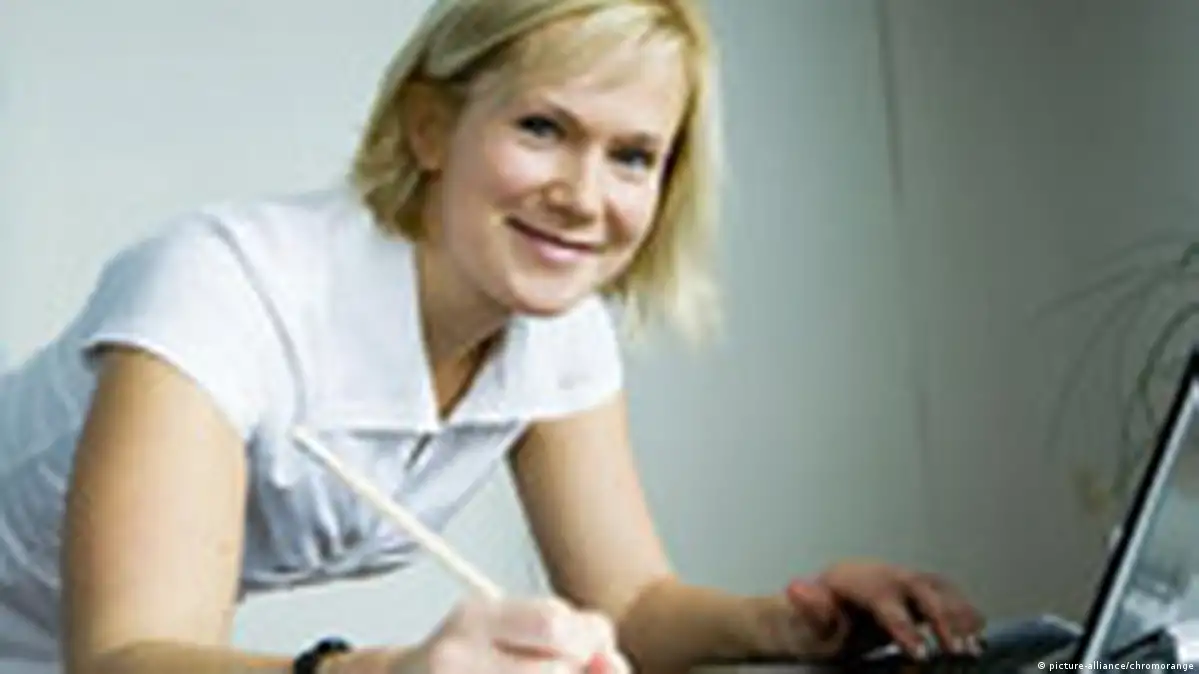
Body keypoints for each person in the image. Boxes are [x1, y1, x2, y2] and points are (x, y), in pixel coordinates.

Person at [0, 0, 985, 672]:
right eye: (542, 128)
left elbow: (629, 605)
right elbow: (125, 656)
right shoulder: (219, 288)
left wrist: (794, 624)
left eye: (632, 155)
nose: (583, 197)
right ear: (428, 127)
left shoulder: (556, 328)